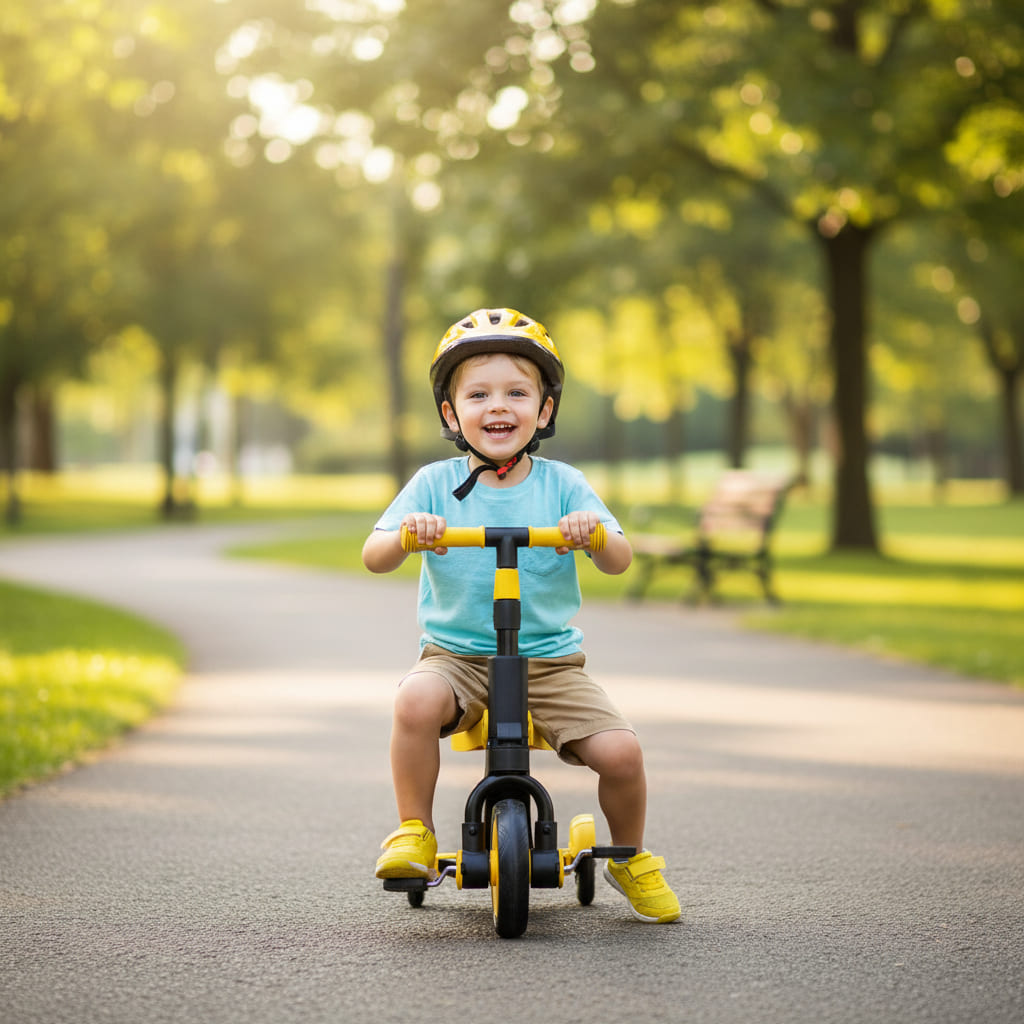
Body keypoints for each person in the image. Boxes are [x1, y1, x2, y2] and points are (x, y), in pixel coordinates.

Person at [362, 307, 680, 924]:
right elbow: (374, 557)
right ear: (452, 415)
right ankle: (414, 832)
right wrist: (409, 535)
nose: (497, 406)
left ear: (545, 409)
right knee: (413, 704)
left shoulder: (564, 484)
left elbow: (619, 559)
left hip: (551, 663)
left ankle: (628, 856)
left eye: (516, 392)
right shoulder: (433, 484)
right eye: (478, 394)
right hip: (456, 659)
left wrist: (590, 535)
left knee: (622, 754)